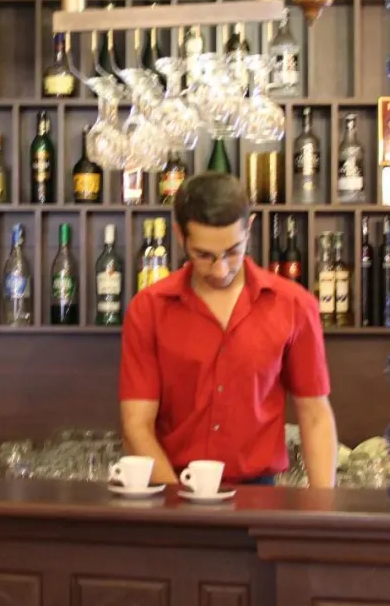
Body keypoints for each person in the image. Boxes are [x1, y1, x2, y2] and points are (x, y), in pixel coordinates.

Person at [119, 172, 337, 487]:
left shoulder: (294, 305)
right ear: (180, 236)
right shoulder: (149, 308)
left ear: (249, 229)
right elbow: (136, 425)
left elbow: (315, 416)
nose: (220, 269)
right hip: (171, 483)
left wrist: (322, 505)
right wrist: (176, 501)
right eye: (203, 255)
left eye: (233, 251)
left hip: (259, 493)